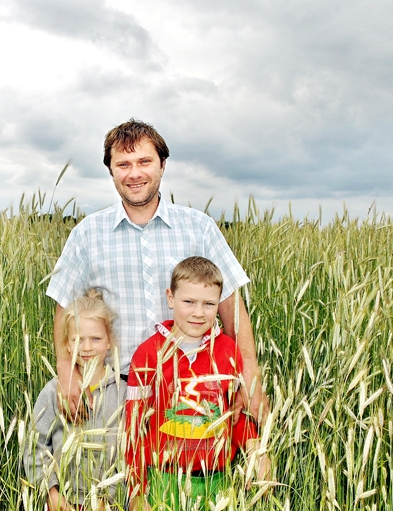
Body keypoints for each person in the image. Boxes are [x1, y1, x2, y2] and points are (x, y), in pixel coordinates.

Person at [46, 118, 268, 425]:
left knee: (188, 472)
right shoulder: (86, 235)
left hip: (193, 386)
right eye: (123, 164)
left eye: (144, 161)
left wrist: (249, 377)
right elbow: (63, 307)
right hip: (113, 389)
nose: (134, 173)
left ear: (162, 165)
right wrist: (66, 373)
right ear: (111, 171)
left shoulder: (199, 227)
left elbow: (232, 307)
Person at [124, 256, 270, 511]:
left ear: (220, 304)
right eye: (188, 302)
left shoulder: (228, 351)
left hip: (217, 484)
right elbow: (134, 429)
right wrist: (137, 492)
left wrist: (255, 450)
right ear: (170, 297)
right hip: (164, 484)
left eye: (209, 304)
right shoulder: (147, 354)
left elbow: (235, 415)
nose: (198, 313)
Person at [23, 289, 126, 511]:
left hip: (105, 510)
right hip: (61, 509)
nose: (86, 347)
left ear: (110, 340)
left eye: (96, 339)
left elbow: (130, 453)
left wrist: (112, 499)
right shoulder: (53, 392)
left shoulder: (122, 392)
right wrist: (51, 491)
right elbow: (34, 447)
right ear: (67, 345)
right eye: (78, 340)